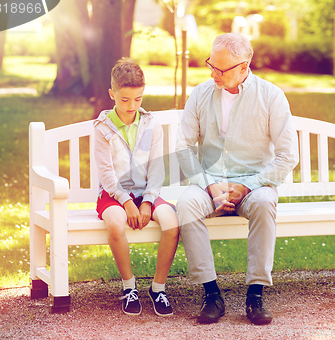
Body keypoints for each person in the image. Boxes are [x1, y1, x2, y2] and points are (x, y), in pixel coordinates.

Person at [175, 33, 299, 325]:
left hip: (253, 183)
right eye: (211, 65)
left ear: (244, 67)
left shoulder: (271, 96)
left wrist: (249, 186)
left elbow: (287, 156)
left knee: (266, 202)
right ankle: (211, 294)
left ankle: (255, 295)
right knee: (185, 204)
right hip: (210, 182)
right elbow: (183, 147)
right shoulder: (200, 93)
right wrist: (208, 184)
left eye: (221, 69)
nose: (212, 73)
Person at [94, 58, 179, 316]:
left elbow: (156, 168)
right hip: (113, 195)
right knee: (117, 224)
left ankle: (158, 289)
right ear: (112, 94)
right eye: (125, 100)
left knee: (172, 223)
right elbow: (106, 173)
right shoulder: (102, 128)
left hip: (147, 192)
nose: (132, 106)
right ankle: (129, 287)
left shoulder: (151, 125)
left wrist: (147, 200)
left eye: (138, 99)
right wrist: (127, 201)